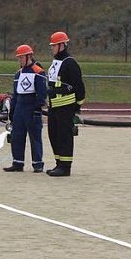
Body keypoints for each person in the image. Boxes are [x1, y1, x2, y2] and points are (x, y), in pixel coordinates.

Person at [45, 31, 85, 177]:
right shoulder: (56, 61)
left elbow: (79, 87)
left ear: (62, 45)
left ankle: (65, 167)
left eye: (54, 45)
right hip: (53, 106)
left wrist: (77, 105)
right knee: (53, 135)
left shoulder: (70, 63)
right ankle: (59, 163)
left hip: (65, 106)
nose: (52, 48)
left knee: (64, 136)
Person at [4, 44, 47, 173]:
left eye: (21, 57)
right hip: (20, 107)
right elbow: (15, 94)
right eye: (18, 58)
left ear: (29, 56)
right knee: (16, 136)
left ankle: (38, 164)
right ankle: (17, 162)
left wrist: (37, 108)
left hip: (32, 106)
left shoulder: (38, 71)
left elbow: (42, 93)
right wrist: (12, 111)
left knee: (35, 137)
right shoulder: (18, 73)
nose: (19, 60)